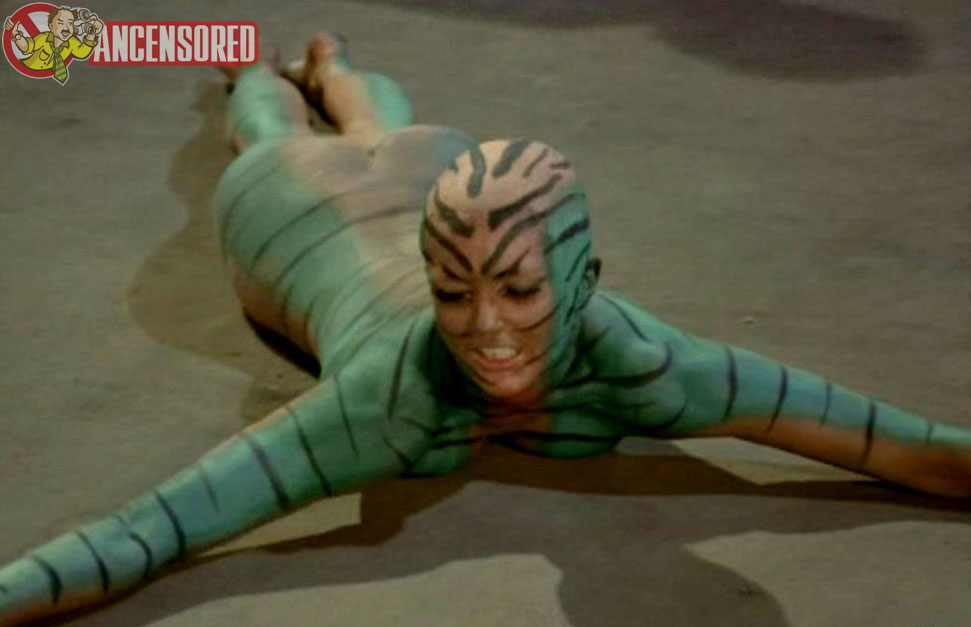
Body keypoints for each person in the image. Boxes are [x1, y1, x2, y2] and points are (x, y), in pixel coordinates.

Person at [0, 33, 968, 626]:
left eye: (518, 289)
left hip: (431, 175)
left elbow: (908, 448)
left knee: (379, 139)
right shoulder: (389, 392)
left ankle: (327, 67)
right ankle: (263, 69)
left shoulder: (650, 363)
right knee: (273, 135)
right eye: (452, 293)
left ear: (585, 281)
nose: (486, 329)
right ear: (432, 279)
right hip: (294, 214)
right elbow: (145, 532)